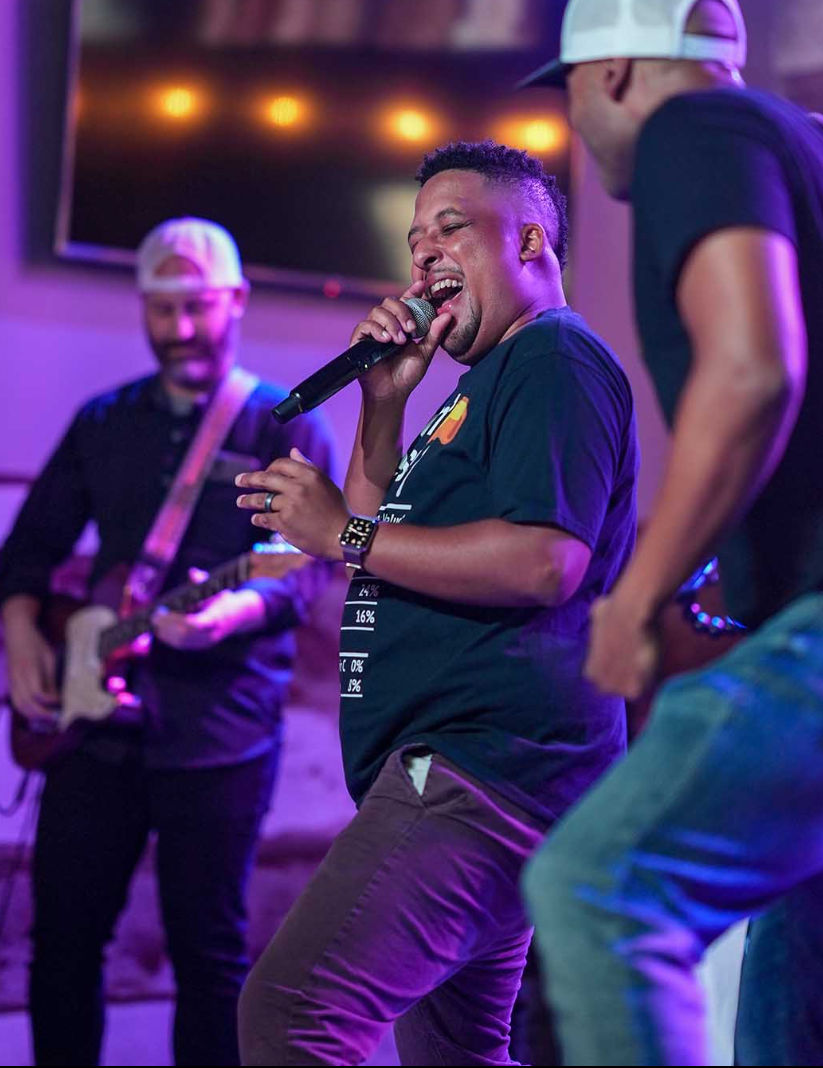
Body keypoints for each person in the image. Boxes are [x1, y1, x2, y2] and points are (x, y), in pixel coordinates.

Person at [233, 139, 639, 1066]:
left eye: (452, 230)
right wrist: (382, 405)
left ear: (531, 240)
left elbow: (546, 562)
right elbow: (382, 548)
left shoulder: (555, 356)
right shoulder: (475, 389)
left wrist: (339, 531)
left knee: (293, 1013)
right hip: (479, 774)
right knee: (456, 1053)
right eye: (415, 244)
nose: (424, 259)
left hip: (481, 773)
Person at [519, 0, 823, 1063]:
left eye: (565, 89)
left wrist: (634, 594)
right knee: (800, 983)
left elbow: (753, 368)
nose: (572, 119)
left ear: (611, 70)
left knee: (600, 883)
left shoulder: (692, 130)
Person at [0, 217, 335, 1067]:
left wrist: (237, 613)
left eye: (196, 307)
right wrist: (21, 640)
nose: (180, 329)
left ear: (237, 302)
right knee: (64, 947)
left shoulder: (283, 427)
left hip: (219, 731)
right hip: (93, 735)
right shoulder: (104, 421)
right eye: (162, 310)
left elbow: (306, 569)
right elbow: (27, 554)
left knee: (210, 959)